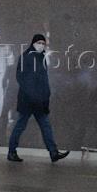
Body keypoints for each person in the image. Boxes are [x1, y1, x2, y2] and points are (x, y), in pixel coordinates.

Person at [7, 34, 69, 163]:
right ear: (34, 43)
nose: (41, 45)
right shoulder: (26, 57)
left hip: (38, 100)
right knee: (21, 126)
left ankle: (53, 152)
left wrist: (45, 96)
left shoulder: (41, 57)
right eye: (39, 42)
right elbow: (21, 78)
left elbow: (43, 79)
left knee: (44, 126)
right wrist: (34, 94)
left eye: (43, 43)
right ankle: (12, 151)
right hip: (28, 100)